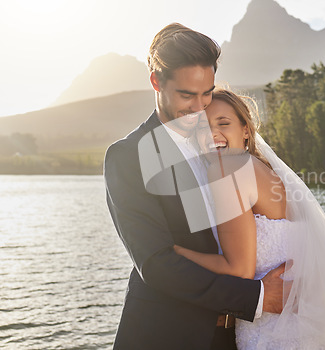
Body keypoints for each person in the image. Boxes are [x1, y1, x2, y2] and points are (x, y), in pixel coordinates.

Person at [104, 23, 285, 350]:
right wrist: (258, 297)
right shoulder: (128, 156)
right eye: (187, 95)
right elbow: (156, 264)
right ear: (156, 81)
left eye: (207, 92)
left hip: (241, 337)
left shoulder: (222, 140)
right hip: (167, 336)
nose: (200, 106)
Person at [173, 89, 325, 349]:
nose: (212, 135)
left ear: (246, 131)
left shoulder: (227, 167)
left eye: (223, 123)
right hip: (302, 325)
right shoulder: (266, 172)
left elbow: (239, 271)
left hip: (275, 333)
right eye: (202, 128)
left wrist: (175, 252)